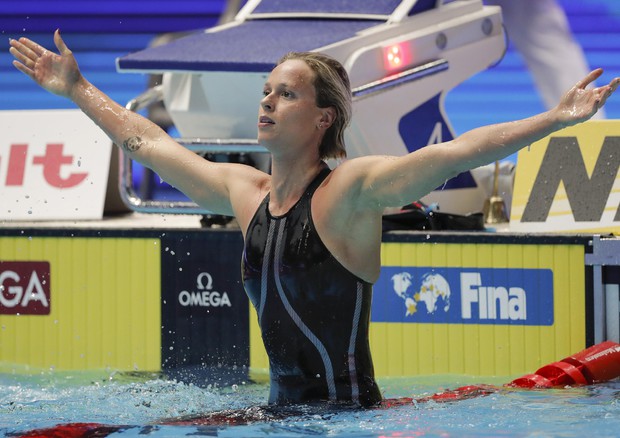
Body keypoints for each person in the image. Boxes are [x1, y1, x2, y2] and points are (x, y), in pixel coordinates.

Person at [9, 30, 618, 408]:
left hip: (348, 420)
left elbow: (455, 153)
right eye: (267, 90)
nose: (267, 100)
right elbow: (148, 143)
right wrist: (78, 88)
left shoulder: (349, 192)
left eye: (287, 93)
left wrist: (554, 119)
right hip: (278, 416)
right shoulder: (244, 191)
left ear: (324, 118)